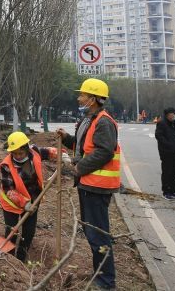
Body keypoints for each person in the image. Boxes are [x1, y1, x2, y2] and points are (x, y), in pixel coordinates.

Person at [56, 78, 120, 291]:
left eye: (82, 95)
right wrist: (66, 138)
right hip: (88, 184)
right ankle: (99, 275)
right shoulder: (88, 119)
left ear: (93, 99)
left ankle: (105, 282)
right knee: (92, 231)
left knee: (98, 233)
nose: (79, 98)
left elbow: (104, 151)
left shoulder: (103, 121)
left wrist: (79, 167)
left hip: (97, 186)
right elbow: (83, 145)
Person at [0, 132, 62, 262]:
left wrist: (62, 154)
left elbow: (49, 152)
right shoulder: (6, 166)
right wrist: (24, 203)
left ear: (27, 149)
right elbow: (8, 190)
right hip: (11, 202)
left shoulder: (35, 151)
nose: (17, 156)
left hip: (33, 199)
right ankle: (9, 260)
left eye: (20, 153)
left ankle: (21, 259)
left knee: (29, 233)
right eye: (14, 153)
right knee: (12, 232)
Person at [155, 107, 175, 200]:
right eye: (173, 114)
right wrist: (168, 145)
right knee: (167, 172)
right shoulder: (162, 123)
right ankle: (166, 191)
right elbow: (158, 136)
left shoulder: (172, 123)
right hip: (166, 152)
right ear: (168, 115)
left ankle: (173, 190)